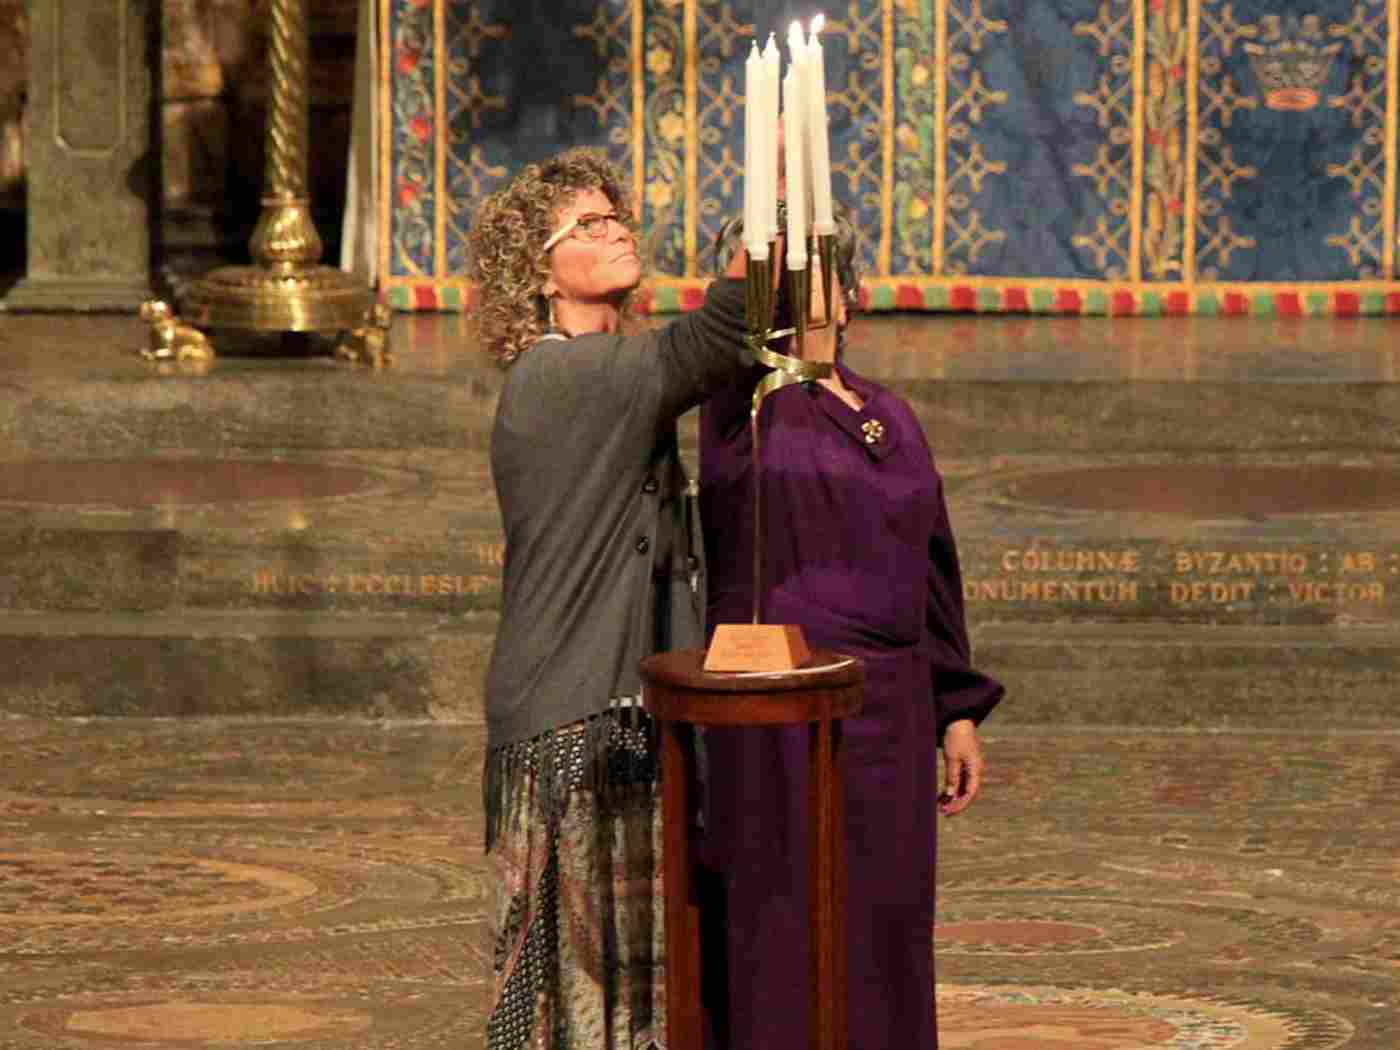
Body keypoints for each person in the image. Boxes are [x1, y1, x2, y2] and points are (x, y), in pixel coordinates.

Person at [697, 217, 1005, 1050]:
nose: (804, 269)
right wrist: (754, 256)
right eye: (782, 259)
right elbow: (726, 337)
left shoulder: (889, 414)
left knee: (886, 925)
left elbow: (933, 565)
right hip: (785, 707)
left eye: (818, 255)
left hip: (892, 712)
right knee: (787, 920)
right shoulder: (745, 404)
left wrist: (955, 708)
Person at [470, 148, 752, 1050]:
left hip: (614, 706)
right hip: (569, 713)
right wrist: (765, 248)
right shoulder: (560, 377)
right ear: (537, 274)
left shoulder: (610, 374)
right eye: (584, 226)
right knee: (574, 997)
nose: (615, 229)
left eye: (615, 215)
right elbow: (707, 345)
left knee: (630, 986)